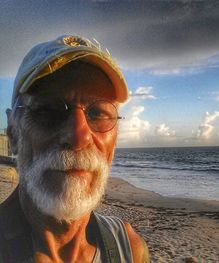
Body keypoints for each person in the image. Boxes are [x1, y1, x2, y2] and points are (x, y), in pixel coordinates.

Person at [0, 35, 149, 262]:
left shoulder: (129, 249)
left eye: (98, 113)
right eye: (48, 110)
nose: (79, 137)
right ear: (13, 134)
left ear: (115, 140)